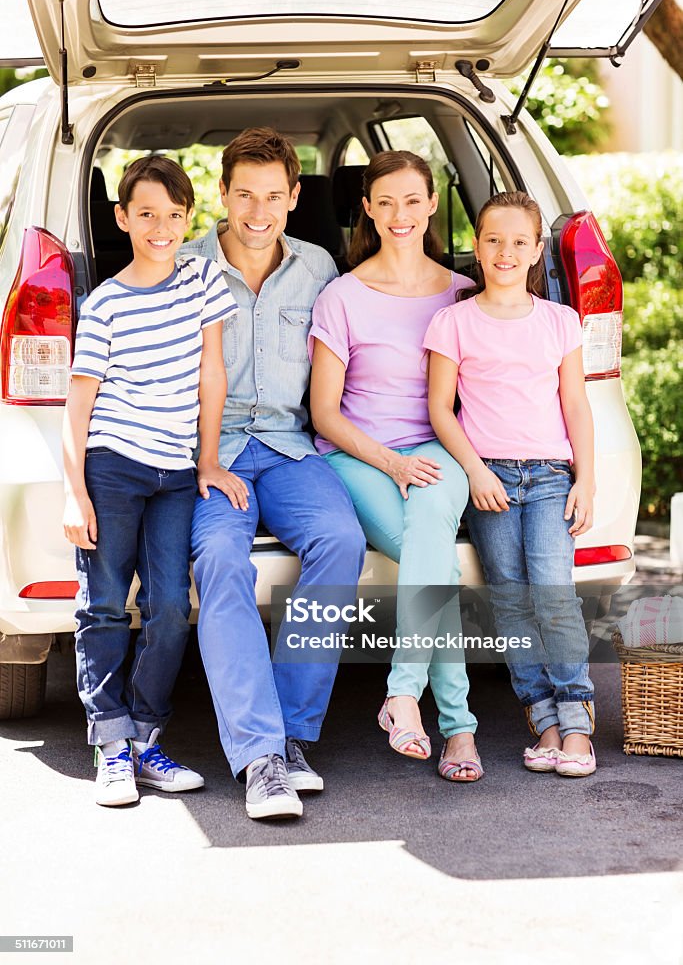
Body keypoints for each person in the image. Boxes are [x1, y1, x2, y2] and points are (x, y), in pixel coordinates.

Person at [180, 127, 366, 820]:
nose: (258, 212)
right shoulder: (185, 264)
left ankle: (290, 736)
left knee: (340, 542)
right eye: (243, 195)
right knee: (222, 559)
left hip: (290, 448)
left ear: (293, 197)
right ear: (222, 195)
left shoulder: (319, 269)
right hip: (211, 452)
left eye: (273, 196)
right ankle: (258, 757)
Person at [63, 155, 238, 806]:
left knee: (170, 605)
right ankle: (110, 747)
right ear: (122, 218)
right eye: (145, 215)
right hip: (111, 464)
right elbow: (78, 407)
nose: (160, 228)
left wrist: (210, 459)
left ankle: (143, 738)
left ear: (188, 217)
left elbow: (210, 375)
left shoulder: (203, 281)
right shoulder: (105, 304)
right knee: (104, 601)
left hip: (174, 472)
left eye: (172, 215)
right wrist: (73, 491)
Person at [309, 150, 482, 783]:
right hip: (358, 454)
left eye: (412, 200)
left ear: (433, 204)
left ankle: (404, 694)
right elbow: (325, 413)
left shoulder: (464, 293)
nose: (399, 214)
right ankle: (459, 730)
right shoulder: (341, 296)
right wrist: (389, 462)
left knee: (426, 538)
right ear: (367, 208)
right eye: (385, 202)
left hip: (441, 445)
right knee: (425, 552)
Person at [426, 190, 597, 778]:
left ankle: (576, 721)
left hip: (550, 477)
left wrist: (587, 479)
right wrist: (473, 470)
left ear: (536, 249)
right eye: (494, 240)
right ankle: (541, 718)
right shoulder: (453, 321)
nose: (505, 252)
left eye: (519, 242)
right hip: (490, 478)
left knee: (553, 596)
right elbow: (441, 409)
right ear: (477, 246)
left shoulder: (559, 321)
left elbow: (576, 403)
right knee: (510, 600)